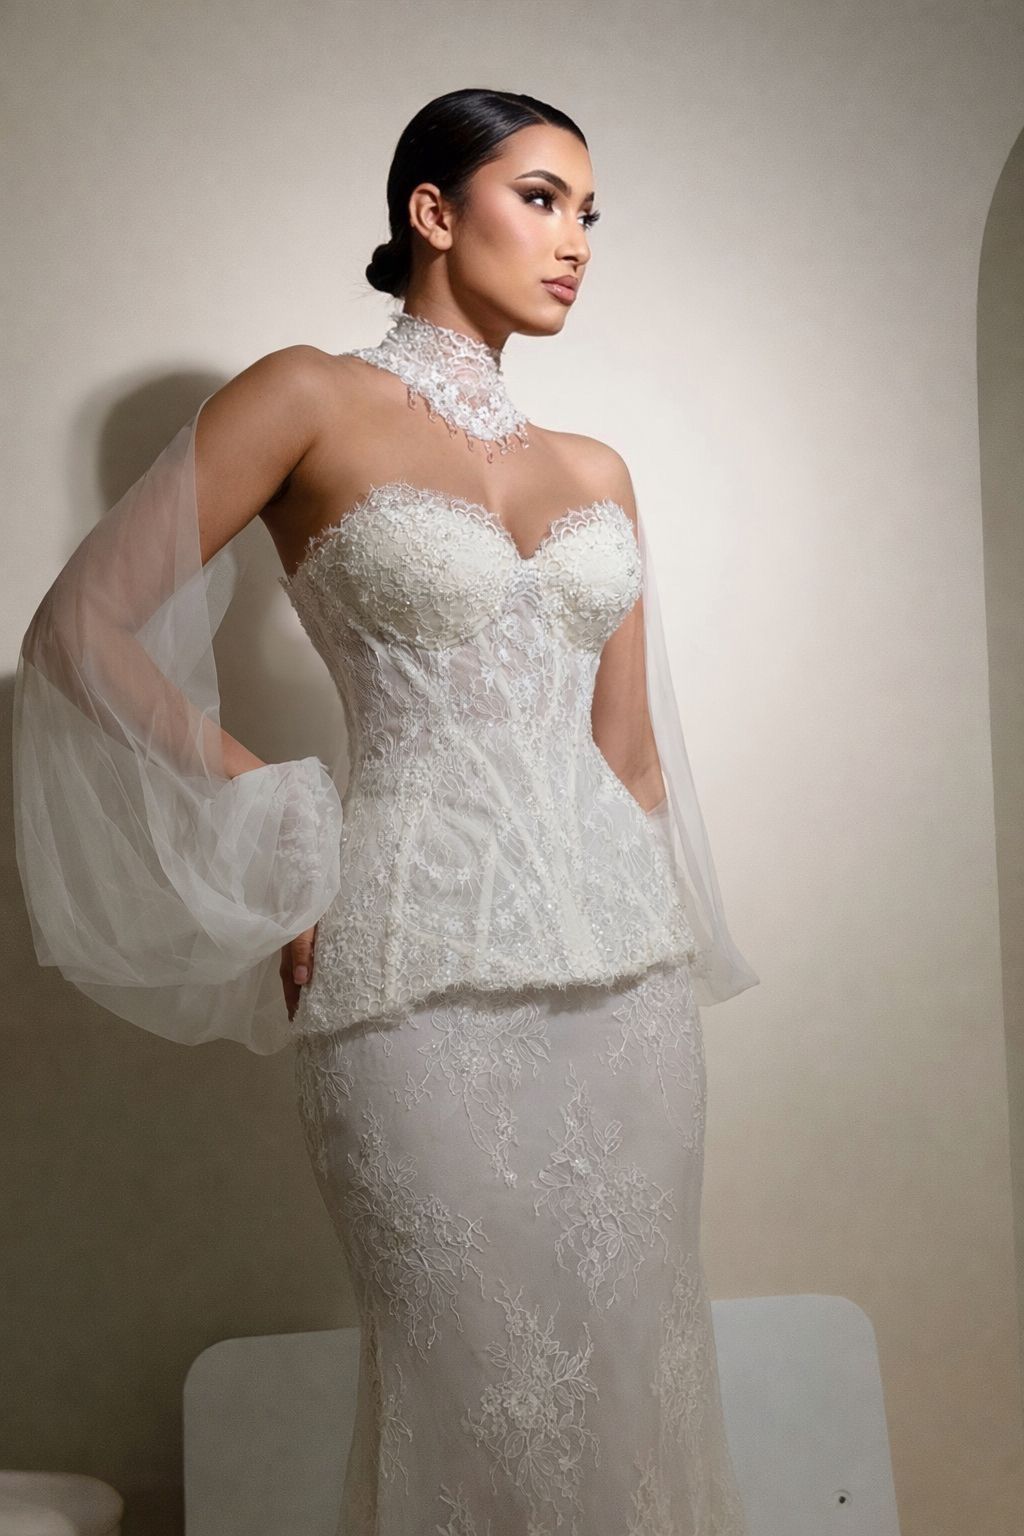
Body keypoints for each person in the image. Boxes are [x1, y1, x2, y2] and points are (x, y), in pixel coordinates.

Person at [13, 87, 758, 1535]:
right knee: (472, 1387)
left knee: (633, 1380)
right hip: (410, 973)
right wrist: (272, 814)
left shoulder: (598, 470)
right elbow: (76, 633)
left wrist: (651, 920)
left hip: (629, 991)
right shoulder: (306, 396)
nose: (576, 241)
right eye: (539, 198)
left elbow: (630, 765)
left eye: (589, 213)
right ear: (434, 211)